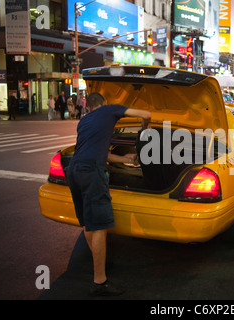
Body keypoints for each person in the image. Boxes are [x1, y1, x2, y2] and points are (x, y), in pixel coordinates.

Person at [65, 92, 151, 296]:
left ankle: (99, 261)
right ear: (103, 103)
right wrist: (144, 131)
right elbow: (146, 114)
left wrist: (126, 159)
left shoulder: (83, 121)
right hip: (91, 173)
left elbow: (97, 153)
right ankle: (99, 282)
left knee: (88, 222)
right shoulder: (109, 109)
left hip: (74, 171)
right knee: (100, 227)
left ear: (89, 106)